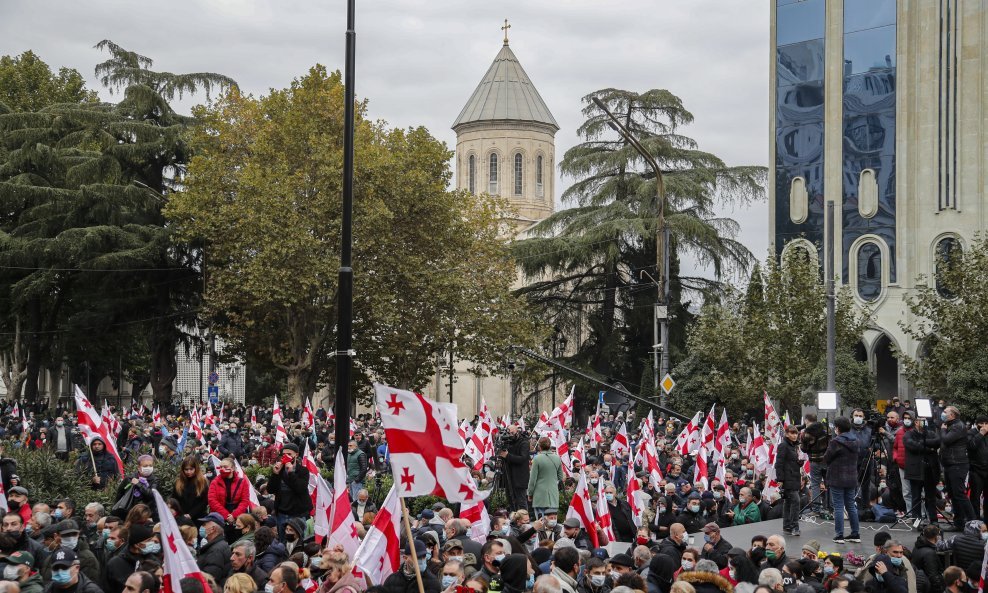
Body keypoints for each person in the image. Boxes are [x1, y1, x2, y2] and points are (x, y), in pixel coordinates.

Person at [823, 417, 861, 544]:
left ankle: (839, 535)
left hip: (837, 477)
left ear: (838, 428)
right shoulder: (855, 440)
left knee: (838, 506)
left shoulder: (835, 442)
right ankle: (855, 533)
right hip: (851, 477)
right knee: (851, 505)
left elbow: (827, 458)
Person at [940, 406, 976, 530]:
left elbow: (946, 440)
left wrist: (943, 430)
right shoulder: (951, 425)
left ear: (952, 415)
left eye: (945, 412)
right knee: (953, 494)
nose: (943, 414)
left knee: (959, 494)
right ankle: (959, 523)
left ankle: (973, 523)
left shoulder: (957, 426)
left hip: (958, 464)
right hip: (950, 464)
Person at [268, 444, 313, 538]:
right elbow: (270, 490)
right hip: (282, 513)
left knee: (299, 541)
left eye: (289, 454)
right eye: (284, 454)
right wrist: (275, 474)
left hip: (298, 514)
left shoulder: (303, 471)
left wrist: (291, 472)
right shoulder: (279, 469)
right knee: (283, 541)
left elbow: (300, 488)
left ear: (296, 455)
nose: (286, 456)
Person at [206, 458, 251, 539]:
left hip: (238, 520)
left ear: (233, 468)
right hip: (220, 519)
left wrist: (234, 515)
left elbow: (245, 501)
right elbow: (212, 501)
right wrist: (226, 516)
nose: (222, 469)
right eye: (221, 467)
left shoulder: (242, 482)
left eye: (225, 466)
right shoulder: (215, 482)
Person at [799, 415, 830, 517]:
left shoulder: (806, 434)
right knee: (829, 484)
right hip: (827, 460)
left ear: (806, 420)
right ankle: (830, 508)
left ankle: (816, 509)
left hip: (815, 461)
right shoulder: (826, 429)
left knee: (815, 484)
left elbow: (803, 449)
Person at [775, 425, 802, 536]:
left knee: (788, 502)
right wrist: (780, 479)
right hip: (787, 479)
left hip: (794, 477)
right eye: (792, 433)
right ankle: (794, 527)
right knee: (796, 501)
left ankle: (787, 526)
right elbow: (779, 463)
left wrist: (800, 462)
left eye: (795, 433)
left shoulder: (794, 446)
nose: (794, 435)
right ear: (786, 434)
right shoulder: (783, 446)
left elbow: (791, 462)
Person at [528, 437, 563, 518]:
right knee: (552, 521)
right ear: (550, 445)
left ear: (539, 446)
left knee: (541, 523)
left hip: (539, 494)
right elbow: (560, 477)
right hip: (553, 494)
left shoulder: (537, 458)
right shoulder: (557, 458)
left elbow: (532, 479)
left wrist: (530, 493)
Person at [500, 425, 531, 512]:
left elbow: (522, 459)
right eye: (508, 433)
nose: (510, 435)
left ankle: (524, 520)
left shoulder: (524, 443)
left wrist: (507, 455)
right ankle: (513, 519)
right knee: (511, 500)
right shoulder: (507, 443)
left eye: (512, 433)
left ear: (517, 432)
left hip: (519, 478)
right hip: (508, 476)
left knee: (521, 502)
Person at [197, 513, 232, 587]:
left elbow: (210, 578)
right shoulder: (217, 546)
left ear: (213, 529)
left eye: (204, 524)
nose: (201, 527)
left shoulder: (216, 550)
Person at [174, 456, 209, 522]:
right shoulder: (178, 482)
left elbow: (204, 501)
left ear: (196, 469)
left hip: (199, 518)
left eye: (191, 469)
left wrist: (191, 514)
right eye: (186, 469)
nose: (188, 472)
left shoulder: (202, 482)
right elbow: (175, 499)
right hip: (182, 518)